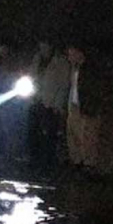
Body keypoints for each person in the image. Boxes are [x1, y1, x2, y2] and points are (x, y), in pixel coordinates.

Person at [28, 38, 71, 169]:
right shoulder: (37, 59)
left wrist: (57, 104)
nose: (43, 48)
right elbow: (31, 76)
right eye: (41, 45)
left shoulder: (60, 62)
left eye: (45, 45)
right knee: (33, 132)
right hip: (36, 101)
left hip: (50, 103)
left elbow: (63, 84)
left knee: (49, 134)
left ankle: (48, 163)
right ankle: (34, 161)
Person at [66, 43, 103, 173]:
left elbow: (94, 89)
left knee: (87, 136)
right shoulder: (74, 69)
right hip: (74, 104)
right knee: (73, 133)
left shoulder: (90, 69)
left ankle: (89, 163)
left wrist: (91, 106)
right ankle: (77, 160)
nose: (69, 57)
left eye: (72, 54)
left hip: (86, 106)